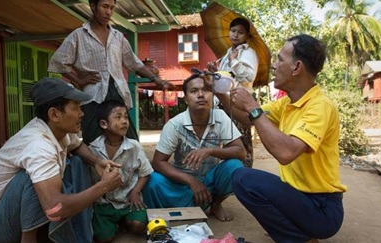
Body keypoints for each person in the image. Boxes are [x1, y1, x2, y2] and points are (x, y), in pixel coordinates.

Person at [213, 34, 347, 242]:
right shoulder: (286, 104)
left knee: (244, 178)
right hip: (300, 198)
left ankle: (300, 239)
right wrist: (221, 91)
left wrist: (253, 107)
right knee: (243, 178)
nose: (274, 66)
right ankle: (297, 232)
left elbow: (286, 153)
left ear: (297, 68)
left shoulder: (320, 106)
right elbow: (247, 118)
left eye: (280, 59)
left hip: (322, 208)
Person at [0, 77, 123, 243]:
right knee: (33, 179)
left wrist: (97, 161)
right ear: (54, 114)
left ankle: (80, 236)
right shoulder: (39, 146)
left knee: (77, 162)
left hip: (17, 213)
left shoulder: (58, 129)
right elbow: (54, 209)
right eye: (76, 107)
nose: (81, 113)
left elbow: (76, 145)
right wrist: (103, 186)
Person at [48, 0, 174, 145]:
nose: (108, 12)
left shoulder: (118, 37)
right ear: (93, 6)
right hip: (92, 95)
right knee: (93, 139)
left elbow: (134, 63)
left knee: (129, 139)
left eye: (112, 8)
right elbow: (58, 61)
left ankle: (131, 167)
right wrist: (79, 80)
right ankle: (96, 166)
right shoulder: (78, 36)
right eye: (105, 7)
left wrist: (156, 79)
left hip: (118, 91)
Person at [142, 73, 246, 222]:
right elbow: (158, 162)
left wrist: (210, 150)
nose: (201, 95)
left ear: (213, 95)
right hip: (181, 183)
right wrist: (191, 181)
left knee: (235, 167)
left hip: (210, 180)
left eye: (206, 90)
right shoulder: (175, 125)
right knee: (153, 180)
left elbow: (240, 152)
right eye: (194, 91)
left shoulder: (220, 117)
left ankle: (215, 204)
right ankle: (174, 209)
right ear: (185, 99)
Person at [88, 100, 153, 243]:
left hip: (128, 200)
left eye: (126, 117)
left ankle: (125, 220)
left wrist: (135, 192)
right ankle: (113, 222)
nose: (124, 121)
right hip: (104, 203)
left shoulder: (134, 146)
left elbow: (145, 173)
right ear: (104, 124)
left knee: (138, 226)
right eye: (118, 117)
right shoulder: (93, 149)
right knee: (104, 238)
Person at [207, 17, 259, 168]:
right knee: (228, 140)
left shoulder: (248, 53)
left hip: (239, 102)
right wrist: (215, 72)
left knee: (242, 141)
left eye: (241, 32)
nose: (236, 35)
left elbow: (249, 76)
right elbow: (226, 77)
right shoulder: (228, 53)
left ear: (246, 36)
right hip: (224, 102)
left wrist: (234, 61)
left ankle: (246, 173)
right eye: (233, 31)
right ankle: (231, 175)